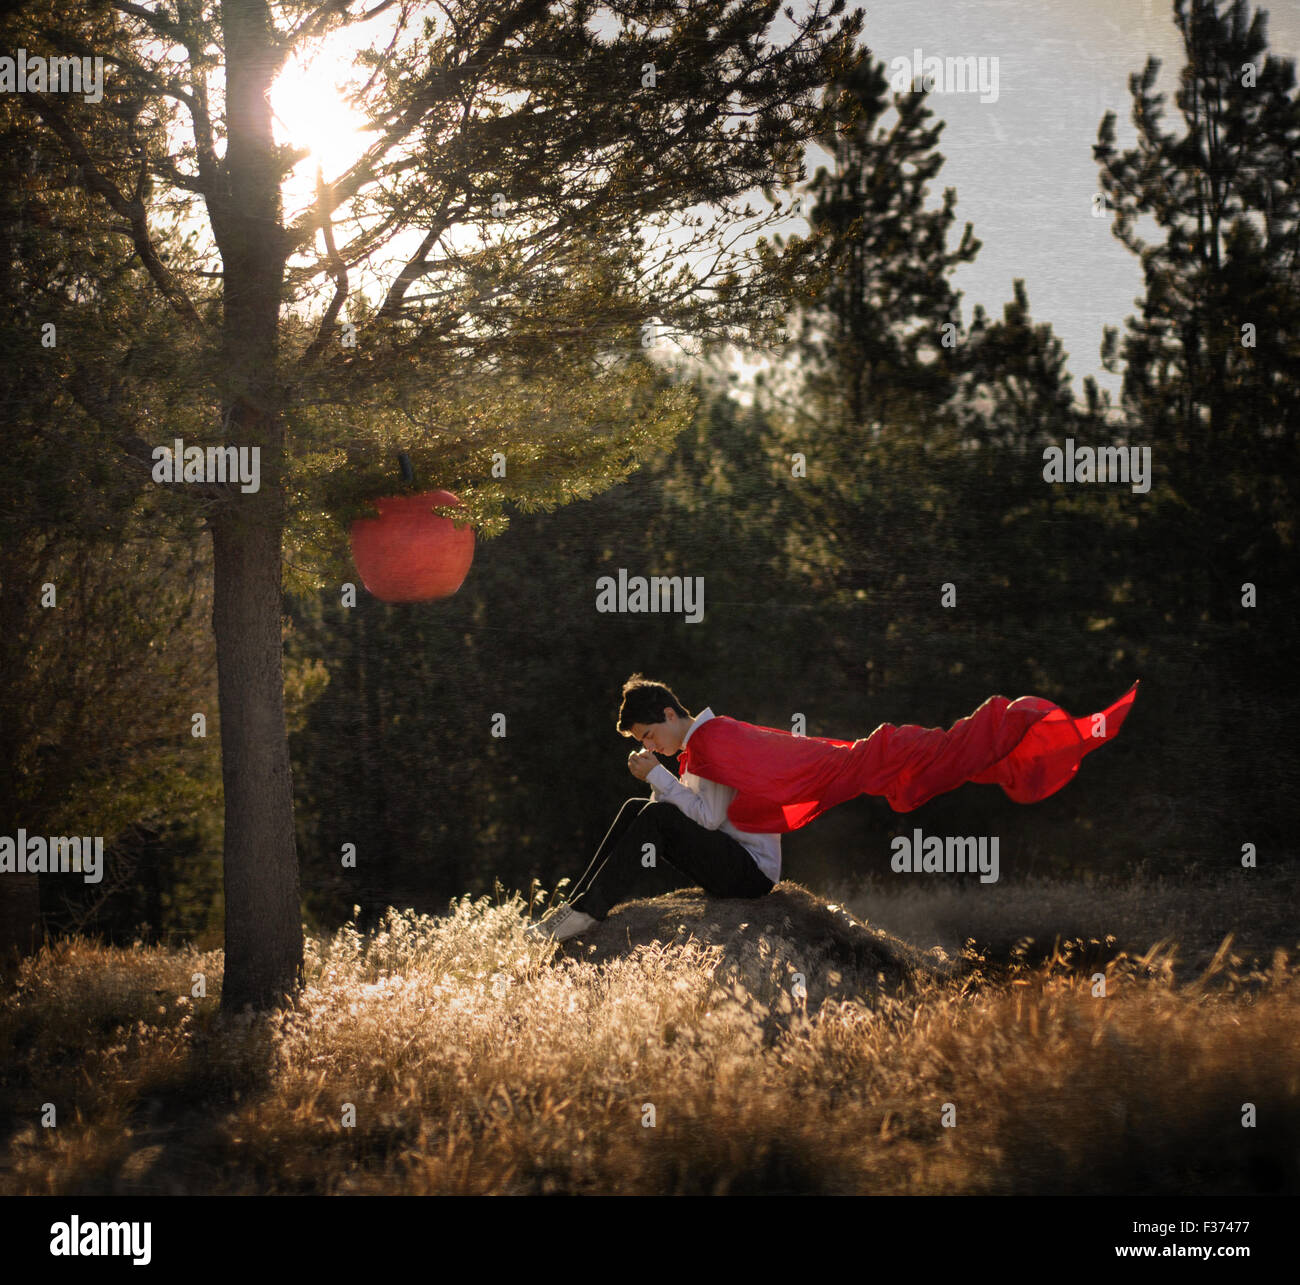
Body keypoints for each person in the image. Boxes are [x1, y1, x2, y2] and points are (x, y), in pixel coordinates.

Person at [524, 675, 779, 942]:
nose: (650, 745)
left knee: (655, 815)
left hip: (751, 872)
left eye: (649, 735)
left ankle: (587, 913)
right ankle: (576, 908)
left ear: (669, 715)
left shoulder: (712, 740)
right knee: (636, 807)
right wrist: (655, 778)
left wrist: (657, 774)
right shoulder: (698, 744)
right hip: (733, 857)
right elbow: (672, 813)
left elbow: (708, 818)